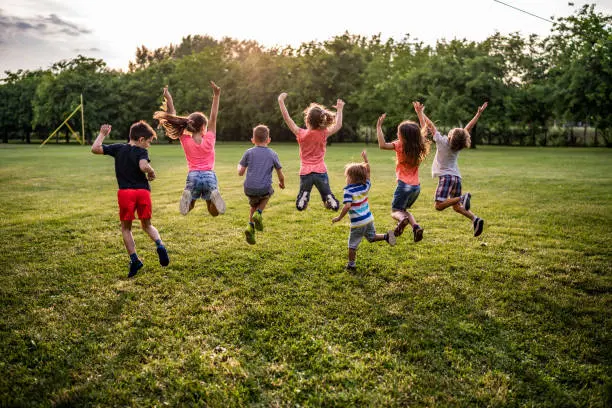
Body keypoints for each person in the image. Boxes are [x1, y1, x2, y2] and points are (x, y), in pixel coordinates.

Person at [91, 122, 170, 278]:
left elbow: (95, 148)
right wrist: (151, 171)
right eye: (148, 142)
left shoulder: (119, 148)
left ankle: (134, 259)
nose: (148, 145)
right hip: (143, 192)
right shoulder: (141, 152)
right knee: (147, 225)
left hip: (126, 193)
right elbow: (143, 166)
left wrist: (102, 134)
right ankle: (159, 244)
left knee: (126, 228)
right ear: (141, 139)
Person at [415, 101, 488, 237]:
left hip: (447, 177)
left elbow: (429, 126)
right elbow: (468, 128)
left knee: (439, 205)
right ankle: (475, 219)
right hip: (456, 177)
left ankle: (463, 197)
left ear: (450, 137)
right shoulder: (458, 146)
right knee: (456, 206)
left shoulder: (442, 142)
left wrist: (420, 112)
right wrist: (478, 114)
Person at [153, 82, 226, 216]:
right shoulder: (210, 138)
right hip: (209, 175)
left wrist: (169, 99)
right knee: (214, 212)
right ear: (204, 127)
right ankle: (214, 197)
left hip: (193, 176)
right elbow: (213, 117)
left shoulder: (185, 139)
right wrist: (216, 96)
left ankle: (188, 200)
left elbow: (171, 116)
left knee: (187, 208)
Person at [277, 92, 344, 212]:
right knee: (326, 196)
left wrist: (281, 101)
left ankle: (304, 195)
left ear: (307, 120)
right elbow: (338, 125)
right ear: (321, 120)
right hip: (320, 171)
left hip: (305, 172)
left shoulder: (300, 133)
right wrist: (339, 109)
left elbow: (287, 118)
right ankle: (327, 196)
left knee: (304, 195)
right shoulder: (323, 133)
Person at [332, 151, 396, 272]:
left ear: (352, 178)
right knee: (371, 237)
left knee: (352, 246)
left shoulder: (348, 191)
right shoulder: (365, 186)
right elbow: (368, 174)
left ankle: (351, 265)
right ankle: (387, 236)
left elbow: (347, 206)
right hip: (368, 219)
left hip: (358, 224)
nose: (346, 178)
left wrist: (339, 218)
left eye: (347, 176)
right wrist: (366, 160)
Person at [376, 112, 430, 242]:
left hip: (404, 185)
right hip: (416, 187)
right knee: (404, 210)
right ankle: (416, 227)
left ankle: (402, 220)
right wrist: (420, 114)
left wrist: (378, 127)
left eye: (399, 133)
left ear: (403, 136)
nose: (397, 135)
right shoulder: (420, 145)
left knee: (396, 211)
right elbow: (425, 130)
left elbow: (382, 145)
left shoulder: (400, 145)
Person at [237, 125, 285, 245]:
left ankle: (250, 227)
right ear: (268, 140)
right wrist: (282, 183)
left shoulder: (248, 152)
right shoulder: (273, 154)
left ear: (253, 140)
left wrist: (238, 166)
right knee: (269, 193)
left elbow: (240, 173)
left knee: (253, 205)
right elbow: (280, 173)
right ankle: (259, 214)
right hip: (264, 188)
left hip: (249, 188)